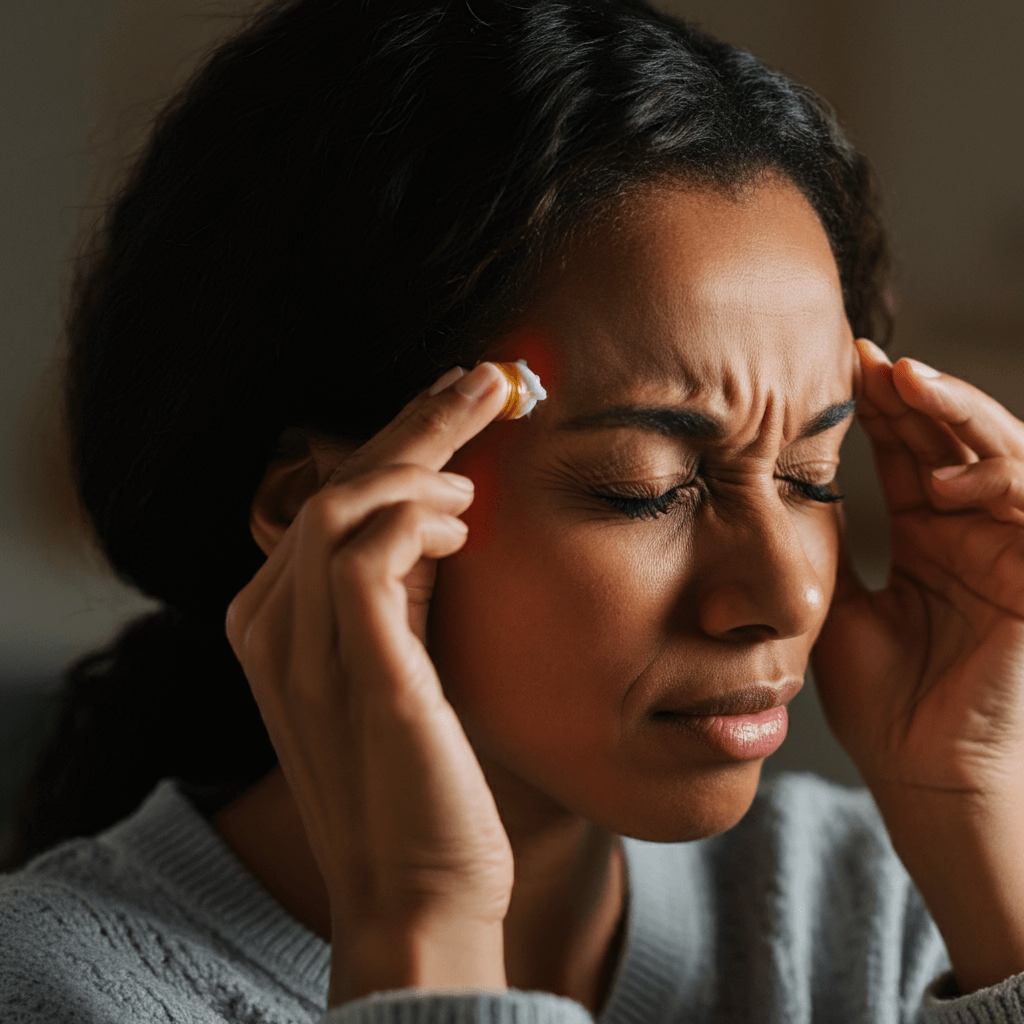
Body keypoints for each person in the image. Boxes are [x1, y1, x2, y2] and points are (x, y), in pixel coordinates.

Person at [2, 0, 1023, 1020]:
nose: (788, 589)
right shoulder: (58, 988)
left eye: (811, 474)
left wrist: (972, 814)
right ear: (327, 510)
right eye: (646, 486)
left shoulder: (877, 909)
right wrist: (420, 924)